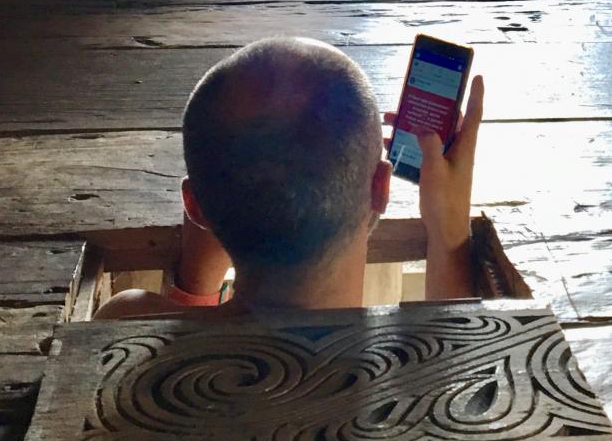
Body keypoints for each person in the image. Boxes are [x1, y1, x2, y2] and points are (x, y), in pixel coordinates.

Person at [96, 37, 484, 318]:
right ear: (381, 188)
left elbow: (178, 334)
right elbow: (461, 337)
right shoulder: (433, 369)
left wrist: (197, 284)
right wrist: (450, 234)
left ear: (194, 206)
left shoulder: (124, 323)